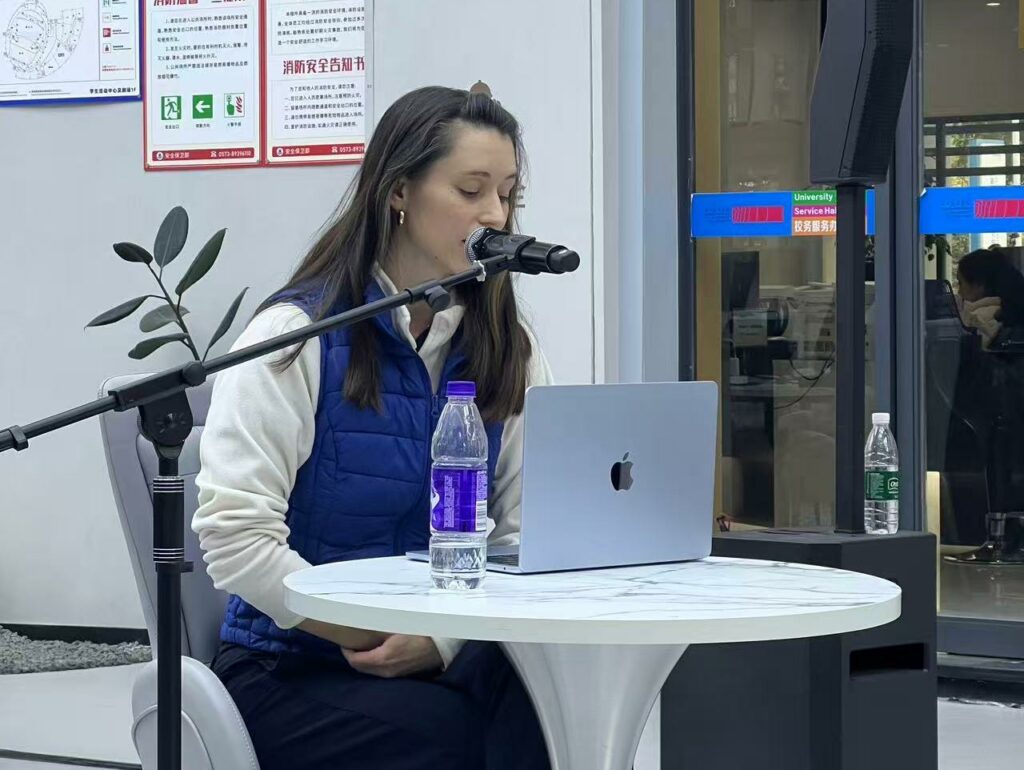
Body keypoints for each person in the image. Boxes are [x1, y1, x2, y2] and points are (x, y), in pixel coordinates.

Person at [192, 84, 554, 769]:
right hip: (289, 666)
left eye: (507, 194)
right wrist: (366, 632)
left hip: (440, 651)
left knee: (556, 708)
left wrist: (441, 642)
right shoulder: (296, 336)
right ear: (399, 193)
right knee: (447, 736)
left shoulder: (504, 346)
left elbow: (520, 535)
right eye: (472, 189)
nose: (495, 215)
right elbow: (237, 540)